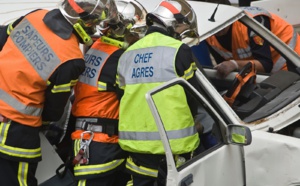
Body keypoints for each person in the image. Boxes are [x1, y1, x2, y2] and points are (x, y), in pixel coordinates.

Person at [0, 0, 118, 185]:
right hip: (15, 132)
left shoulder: (35, 15)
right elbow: (54, 110)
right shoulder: (71, 58)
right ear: (85, 23)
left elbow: (2, 37)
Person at [116, 0, 201, 185]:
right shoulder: (179, 50)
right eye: (181, 27)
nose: (181, 33)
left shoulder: (127, 54)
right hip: (174, 145)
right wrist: (195, 118)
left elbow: (120, 95)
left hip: (136, 146)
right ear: (171, 23)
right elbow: (194, 95)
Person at [70, 0, 148, 185]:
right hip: (99, 143)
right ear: (125, 30)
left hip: (93, 139)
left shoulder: (98, 48)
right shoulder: (119, 59)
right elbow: (135, 102)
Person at [199, 0, 300, 78]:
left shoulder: (251, 22)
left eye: (220, 21)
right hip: (263, 73)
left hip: (293, 60)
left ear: (228, 13)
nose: (217, 28)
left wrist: (234, 64)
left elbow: (265, 65)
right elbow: (223, 66)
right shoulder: (208, 31)